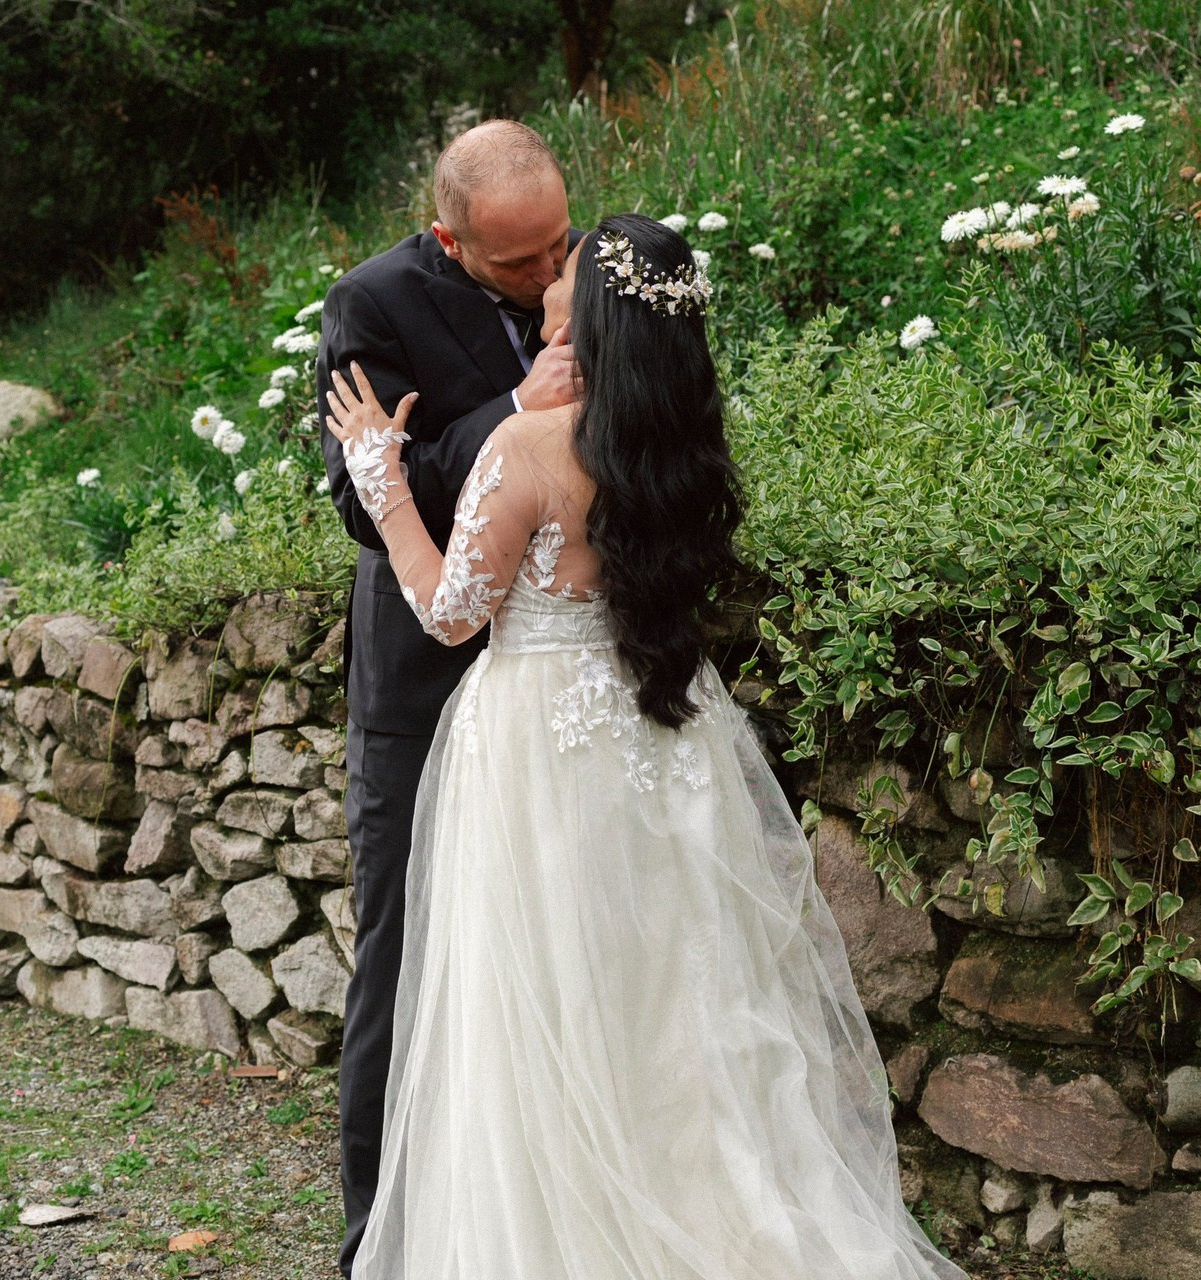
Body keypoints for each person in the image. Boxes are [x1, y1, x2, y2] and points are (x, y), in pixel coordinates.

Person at [323, 212, 971, 1279]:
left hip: (536, 741)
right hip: (662, 729)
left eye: (568, 261)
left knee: (544, 1003)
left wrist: (380, 480)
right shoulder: (675, 438)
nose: (552, 268)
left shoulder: (528, 446)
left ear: (591, 309)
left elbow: (446, 610)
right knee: (673, 997)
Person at [315, 119, 582, 1276]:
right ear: (447, 237)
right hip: (424, 683)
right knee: (405, 948)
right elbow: (357, 495)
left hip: (569, 682)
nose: (543, 279)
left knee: (565, 950)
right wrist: (513, 410)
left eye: (555, 248)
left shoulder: (597, 275)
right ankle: (381, 1230)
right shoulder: (369, 303)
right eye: (516, 264)